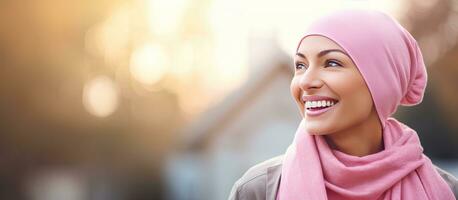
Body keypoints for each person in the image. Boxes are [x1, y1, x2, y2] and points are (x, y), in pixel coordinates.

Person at [228, 9, 458, 200]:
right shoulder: (258, 191)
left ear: (382, 81)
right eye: (300, 65)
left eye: (332, 63)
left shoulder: (445, 192)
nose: (306, 81)